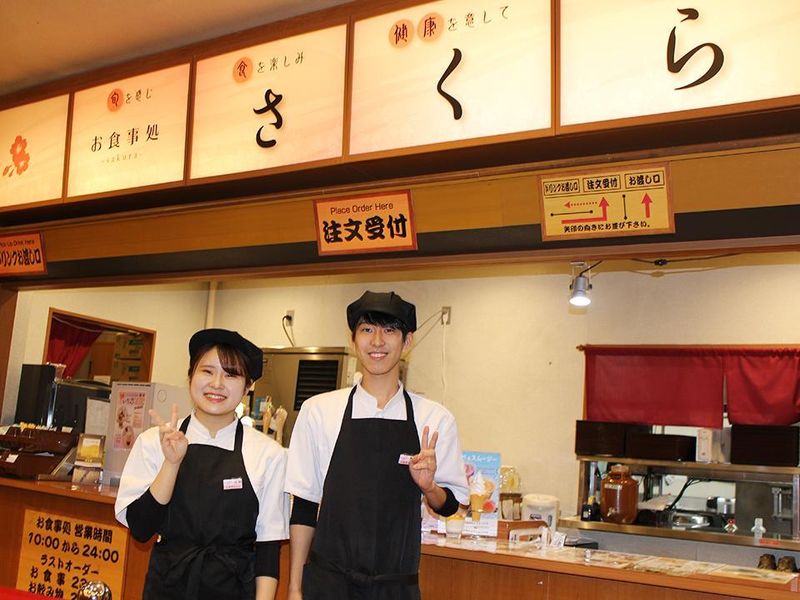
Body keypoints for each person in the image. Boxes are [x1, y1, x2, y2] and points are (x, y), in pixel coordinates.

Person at [285, 291, 469, 599]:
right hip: (328, 584)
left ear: (407, 342)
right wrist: (294, 587)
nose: (377, 341)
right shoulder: (319, 411)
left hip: (395, 586)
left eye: (390, 330)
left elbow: (451, 505)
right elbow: (304, 506)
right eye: (367, 329)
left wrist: (429, 487)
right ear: (353, 339)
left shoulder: (434, 418)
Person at [115, 328, 289, 600]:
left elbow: (268, 550)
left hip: (232, 589)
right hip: (167, 587)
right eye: (207, 371)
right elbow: (141, 529)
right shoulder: (153, 442)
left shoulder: (269, 454)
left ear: (247, 386)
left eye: (231, 375)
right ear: (190, 377)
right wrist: (171, 463)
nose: (217, 383)